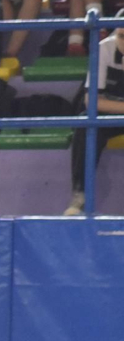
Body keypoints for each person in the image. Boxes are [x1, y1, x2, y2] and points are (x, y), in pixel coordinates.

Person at [65, 26, 124, 214]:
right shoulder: (103, 49)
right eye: (121, 36)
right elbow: (91, 101)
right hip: (113, 114)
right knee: (86, 123)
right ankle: (80, 194)